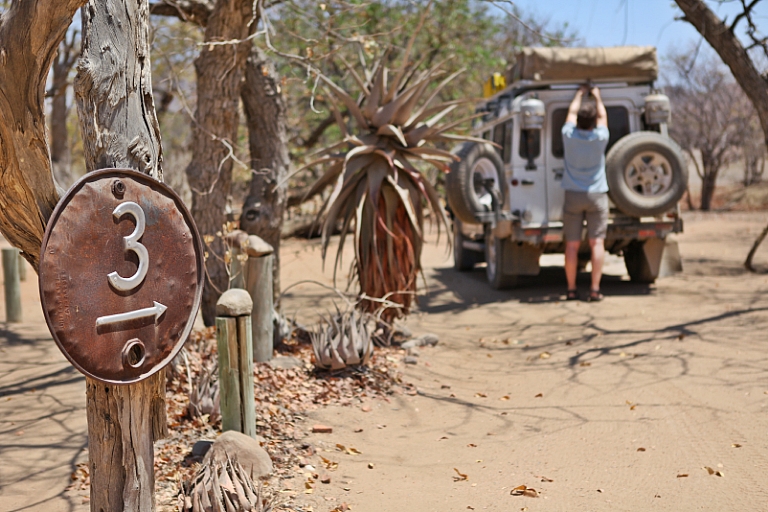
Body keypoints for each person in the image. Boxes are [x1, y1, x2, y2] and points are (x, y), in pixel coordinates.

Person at [561, 84, 609, 302]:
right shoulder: (600, 138)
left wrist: (579, 94)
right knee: (596, 243)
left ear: (578, 120)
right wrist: (597, 96)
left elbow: (570, 113)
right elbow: (603, 115)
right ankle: (595, 289)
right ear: (593, 123)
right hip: (597, 195)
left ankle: (571, 289)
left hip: (572, 194)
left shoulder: (568, 136)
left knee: (572, 244)